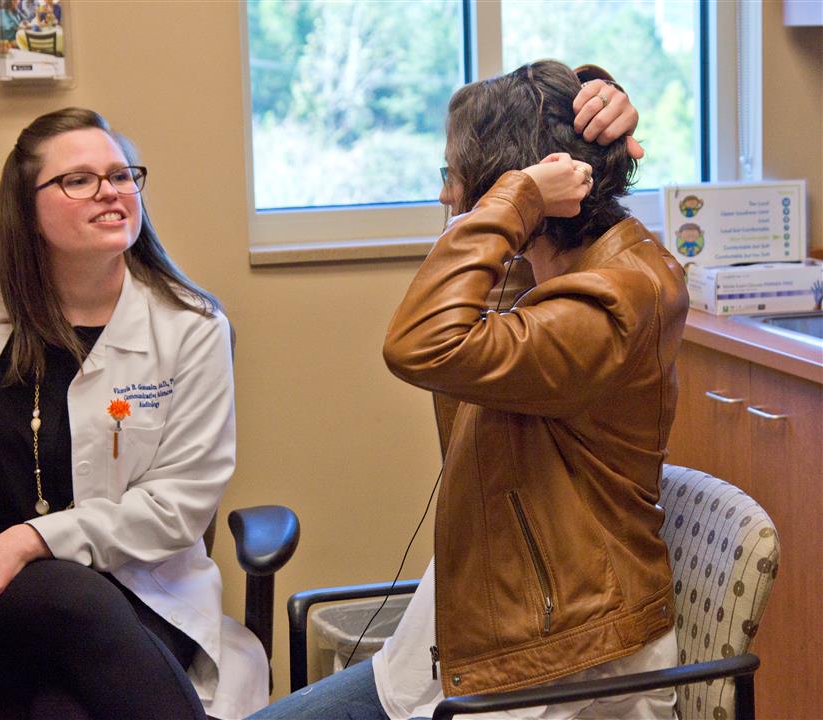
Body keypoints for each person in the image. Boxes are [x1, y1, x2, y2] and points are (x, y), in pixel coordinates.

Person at [250, 61, 687, 720]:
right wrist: (594, 89)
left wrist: (514, 200)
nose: (449, 199)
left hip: (560, 661)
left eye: (455, 178)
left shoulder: (613, 301)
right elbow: (533, 111)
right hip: (483, 628)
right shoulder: (551, 270)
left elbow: (420, 342)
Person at [0, 108, 268, 720]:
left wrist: (32, 540)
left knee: (63, 704)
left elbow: (181, 504)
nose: (111, 191)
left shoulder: (190, 327)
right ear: (26, 209)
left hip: (134, 590)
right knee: (64, 601)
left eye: (120, 174)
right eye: (79, 180)